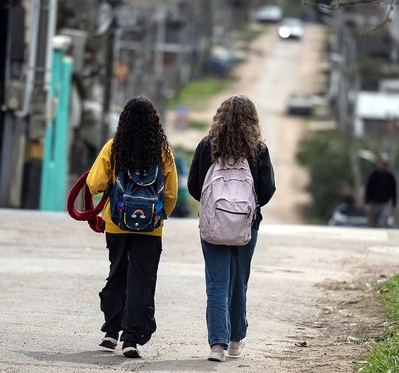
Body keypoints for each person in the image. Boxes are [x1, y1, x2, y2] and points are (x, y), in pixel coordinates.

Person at [86, 96, 178, 358]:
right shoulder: (163, 152)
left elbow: (94, 184)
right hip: (150, 229)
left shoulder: (114, 148)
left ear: (124, 121)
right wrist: (158, 216)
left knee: (117, 274)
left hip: (116, 224)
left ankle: (110, 332)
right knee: (141, 280)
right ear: (154, 123)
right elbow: (170, 195)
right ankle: (130, 339)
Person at [187, 95, 276, 362]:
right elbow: (268, 189)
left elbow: (193, 184)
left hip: (213, 226)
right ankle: (236, 340)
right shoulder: (258, 149)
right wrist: (247, 207)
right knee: (239, 282)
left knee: (217, 283)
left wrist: (214, 207)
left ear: (220, 117)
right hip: (246, 228)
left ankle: (217, 345)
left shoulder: (207, 146)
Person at [364, 155, 397, 228]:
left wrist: (393, 206)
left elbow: (394, 192)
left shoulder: (390, 176)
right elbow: (367, 189)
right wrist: (367, 203)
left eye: (386, 164)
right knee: (372, 224)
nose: (384, 166)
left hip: (384, 203)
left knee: (382, 223)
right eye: (383, 163)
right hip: (373, 203)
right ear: (379, 163)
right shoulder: (373, 175)